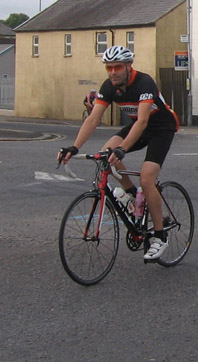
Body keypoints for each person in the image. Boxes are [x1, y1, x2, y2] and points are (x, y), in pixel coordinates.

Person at [58, 45, 180, 260]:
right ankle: (133, 197)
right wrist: (74, 147)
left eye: (117, 67)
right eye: (109, 68)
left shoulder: (144, 82)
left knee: (147, 178)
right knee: (105, 154)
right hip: (137, 127)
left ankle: (160, 236)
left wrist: (123, 148)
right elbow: (94, 118)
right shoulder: (109, 86)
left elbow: (143, 120)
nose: (113, 72)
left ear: (128, 66)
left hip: (161, 128)